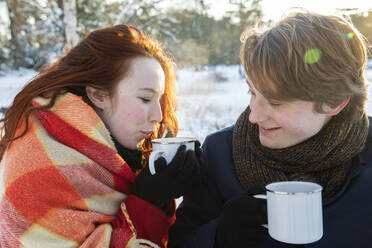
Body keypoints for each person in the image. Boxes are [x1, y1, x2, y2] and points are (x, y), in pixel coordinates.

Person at [168, 10, 372, 248]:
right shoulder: (220, 154)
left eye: (275, 102)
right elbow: (180, 241)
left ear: (335, 102)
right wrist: (218, 236)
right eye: (252, 92)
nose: (253, 116)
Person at [0, 24, 200, 248]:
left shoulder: (116, 157)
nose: (158, 115)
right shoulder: (37, 165)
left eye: (159, 99)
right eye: (145, 99)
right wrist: (146, 201)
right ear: (98, 95)